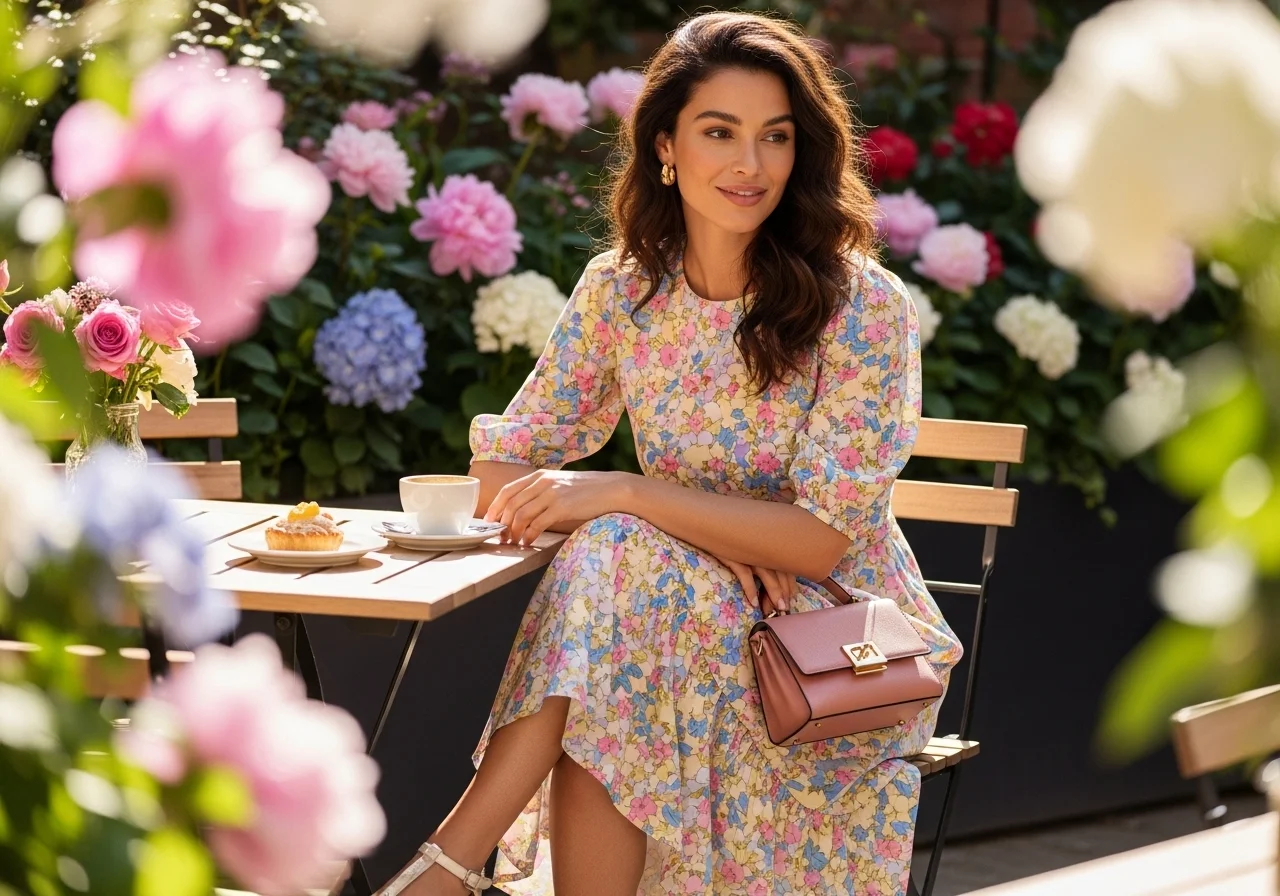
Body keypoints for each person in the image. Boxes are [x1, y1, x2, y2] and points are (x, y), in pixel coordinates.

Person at [377, 10, 962, 896]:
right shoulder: (626, 292)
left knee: (617, 569)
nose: (750, 165)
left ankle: (449, 866)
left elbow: (817, 544)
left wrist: (630, 494)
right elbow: (502, 472)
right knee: (622, 603)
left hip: (828, 648)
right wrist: (720, 541)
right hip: (667, 611)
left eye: (775, 137)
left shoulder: (862, 307)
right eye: (718, 132)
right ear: (664, 146)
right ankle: (450, 869)